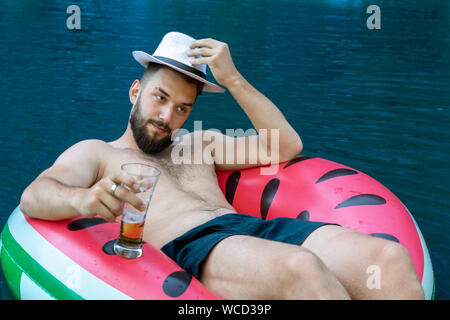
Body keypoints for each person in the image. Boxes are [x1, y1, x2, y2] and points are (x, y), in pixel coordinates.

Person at [20, 32, 424, 300]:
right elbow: (35, 196)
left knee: (387, 259)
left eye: (182, 108)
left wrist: (232, 79)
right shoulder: (98, 153)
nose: (167, 116)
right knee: (301, 269)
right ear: (135, 91)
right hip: (194, 247)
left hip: (254, 231)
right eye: (159, 98)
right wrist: (87, 198)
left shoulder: (201, 143)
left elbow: (285, 145)